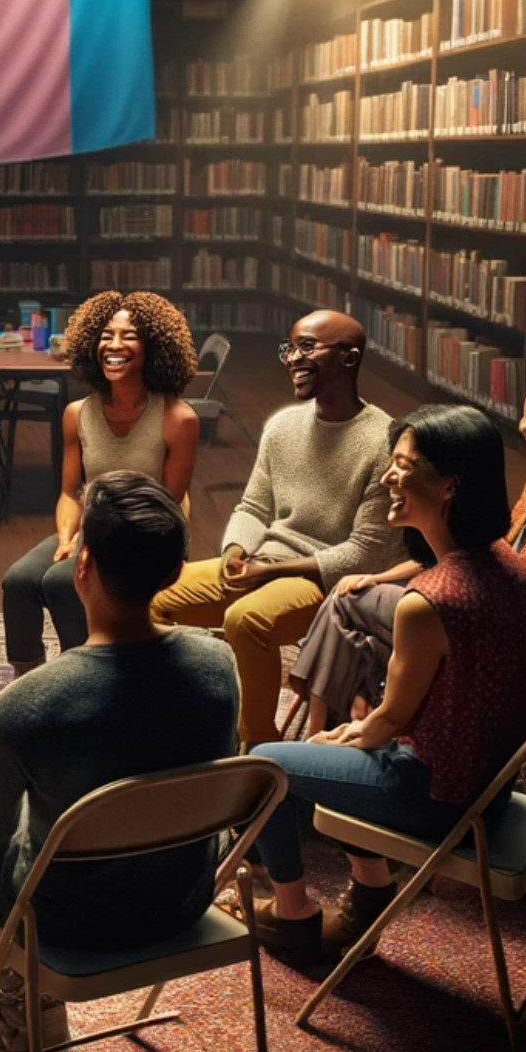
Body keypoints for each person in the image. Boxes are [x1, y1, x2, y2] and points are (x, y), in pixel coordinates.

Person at [0, 471, 237, 1052]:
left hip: (67, 923)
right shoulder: (219, 666)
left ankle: (17, 1003)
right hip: (183, 901)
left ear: (81, 564)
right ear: (172, 573)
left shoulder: (32, 702)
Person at [248, 405, 526, 964]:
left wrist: (339, 735)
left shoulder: (430, 601)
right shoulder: (505, 562)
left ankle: (292, 914)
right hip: (490, 787)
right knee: (328, 752)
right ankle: (370, 885)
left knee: (269, 764)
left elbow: (390, 724)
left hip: (437, 795)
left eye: (403, 466)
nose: (388, 477)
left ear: (449, 485)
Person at [292, 363, 526, 733]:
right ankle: (327, 739)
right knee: (351, 605)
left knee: (352, 621)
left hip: (493, 652)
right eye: (524, 413)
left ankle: (318, 740)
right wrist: (379, 577)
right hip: (473, 611)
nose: (524, 425)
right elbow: (482, 551)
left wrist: (458, 630)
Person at [152, 310, 405, 748]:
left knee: (246, 619)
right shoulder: (283, 426)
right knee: (149, 597)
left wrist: (268, 572)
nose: (292, 359)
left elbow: (365, 553)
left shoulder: (383, 442)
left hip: (326, 581)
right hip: (263, 560)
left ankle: (258, 746)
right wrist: (235, 551)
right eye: (289, 348)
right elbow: (254, 506)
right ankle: (182, 718)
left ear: (349, 358)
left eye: (307, 347)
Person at [0, 291, 200, 676]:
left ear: (154, 348)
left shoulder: (178, 418)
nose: (114, 345)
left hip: (149, 537)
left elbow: (167, 508)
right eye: (107, 335)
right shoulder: (77, 414)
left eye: (130, 336)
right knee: (19, 582)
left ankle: (90, 680)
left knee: (61, 581)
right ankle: (28, 682)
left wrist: (88, 542)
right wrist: (65, 538)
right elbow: (69, 493)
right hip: (93, 528)